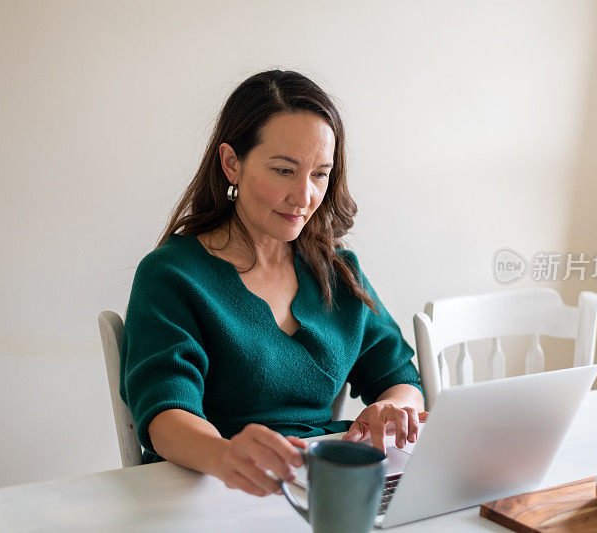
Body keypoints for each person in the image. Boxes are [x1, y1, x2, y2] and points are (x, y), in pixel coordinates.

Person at [120, 69, 426, 498]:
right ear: (232, 163)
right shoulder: (171, 275)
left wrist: (395, 408)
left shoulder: (338, 272)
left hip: (316, 489)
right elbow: (164, 414)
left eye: (320, 174)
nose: (304, 196)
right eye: (284, 170)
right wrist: (222, 455)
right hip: (207, 490)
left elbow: (402, 379)